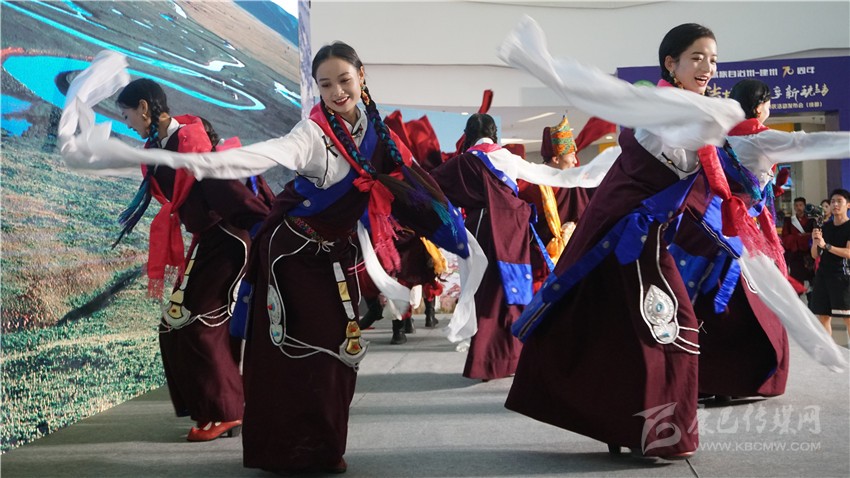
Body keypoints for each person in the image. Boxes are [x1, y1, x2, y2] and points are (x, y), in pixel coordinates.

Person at [59, 45, 473, 474]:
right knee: (291, 354)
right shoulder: (312, 133)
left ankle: (322, 444)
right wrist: (177, 159)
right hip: (291, 256)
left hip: (333, 252)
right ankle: (285, 449)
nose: (336, 92)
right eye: (325, 84)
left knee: (340, 353)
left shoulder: (379, 134)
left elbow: (413, 181)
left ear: (361, 76)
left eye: (344, 80)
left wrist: (455, 233)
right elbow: (263, 154)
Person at [113, 78, 274, 441]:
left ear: (143, 108)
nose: (127, 123)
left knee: (199, 323)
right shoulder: (163, 146)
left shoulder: (190, 144)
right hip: (208, 242)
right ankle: (211, 406)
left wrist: (266, 230)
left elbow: (228, 192)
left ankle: (226, 412)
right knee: (173, 325)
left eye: (126, 115)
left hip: (229, 241)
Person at [430, 113, 612, 381]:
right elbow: (543, 173)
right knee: (511, 293)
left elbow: (432, 186)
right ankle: (510, 357)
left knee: (484, 291)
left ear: (468, 135)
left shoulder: (462, 162)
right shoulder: (507, 158)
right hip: (511, 229)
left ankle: (486, 361)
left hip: (479, 229)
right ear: (494, 133)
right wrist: (591, 174)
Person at [810, 189, 850, 336]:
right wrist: (816, 242)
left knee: (848, 317)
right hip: (823, 275)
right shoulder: (825, 227)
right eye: (832, 201)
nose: (835, 205)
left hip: (842, 276)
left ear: (848, 205)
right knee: (823, 317)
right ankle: (829, 349)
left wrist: (826, 246)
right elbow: (815, 255)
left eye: (839, 201)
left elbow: (848, 253)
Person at [782, 197, 815, 287]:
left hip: (808, 254)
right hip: (794, 255)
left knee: (811, 279)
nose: (798, 208)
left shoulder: (811, 221)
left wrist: (800, 237)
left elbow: (813, 236)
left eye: (800, 205)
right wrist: (800, 237)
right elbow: (785, 238)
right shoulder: (789, 221)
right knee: (796, 280)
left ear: (804, 206)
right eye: (796, 205)